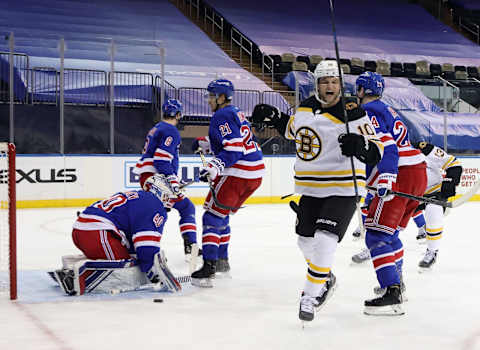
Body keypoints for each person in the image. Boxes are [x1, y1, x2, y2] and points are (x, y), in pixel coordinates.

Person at [252, 60, 384, 322]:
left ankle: (310, 295)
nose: (330, 86)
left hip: (343, 187)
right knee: (305, 240)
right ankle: (325, 276)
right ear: (316, 85)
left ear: (340, 84)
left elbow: (377, 149)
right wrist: (275, 117)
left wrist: (359, 146)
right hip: (310, 189)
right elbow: (295, 132)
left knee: (325, 239)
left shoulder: (352, 111)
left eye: (334, 81)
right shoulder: (305, 108)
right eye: (325, 81)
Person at [355, 71, 427, 316]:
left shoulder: (371, 110)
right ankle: (398, 285)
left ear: (361, 90)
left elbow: (386, 145)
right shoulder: (388, 109)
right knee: (391, 233)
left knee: (375, 236)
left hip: (400, 173)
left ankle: (391, 293)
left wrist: (386, 176)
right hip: (416, 171)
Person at [191, 79, 265, 287]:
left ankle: (209, 268)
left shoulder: (221, 115)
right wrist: (205, 143)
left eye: (211, 96)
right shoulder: (235, 112)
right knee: (221, 214)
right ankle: (222, 262)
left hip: (239, 173)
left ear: (221, 97)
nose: (208, 100)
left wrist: (214, 166)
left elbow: (233, 150)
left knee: (211, 215)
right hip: (254, 173)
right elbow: (235, 140)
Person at [53, 176, 179, 296]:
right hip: (97, 232)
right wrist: (154, 273)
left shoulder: (139, 197)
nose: (171, 202)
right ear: (161, 192)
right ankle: (77, 276)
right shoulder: (153, 205)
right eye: (169, 197)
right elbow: (146, 247)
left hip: (84, 230)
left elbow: (133, 242)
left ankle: (70, 265)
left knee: (131, 259)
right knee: (127, 270)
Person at [133, 99, 200, 261]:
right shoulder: (171, 130)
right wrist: (172, 181)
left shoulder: (156, 128)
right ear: (178, 114)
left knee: (175, 208)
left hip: (149, 177)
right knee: (179, 209)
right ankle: (150, 251)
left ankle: (143, 248)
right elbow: (161, 160)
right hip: (157, 177)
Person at [414, 141, 462, 270]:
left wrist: (450, 180)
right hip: (408, 193)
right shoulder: (389, 149)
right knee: (388, 218)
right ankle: (378, 249)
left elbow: (453, 164)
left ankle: (432, 251)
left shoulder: (425, 149)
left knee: (433, 212)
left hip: (433, 191)